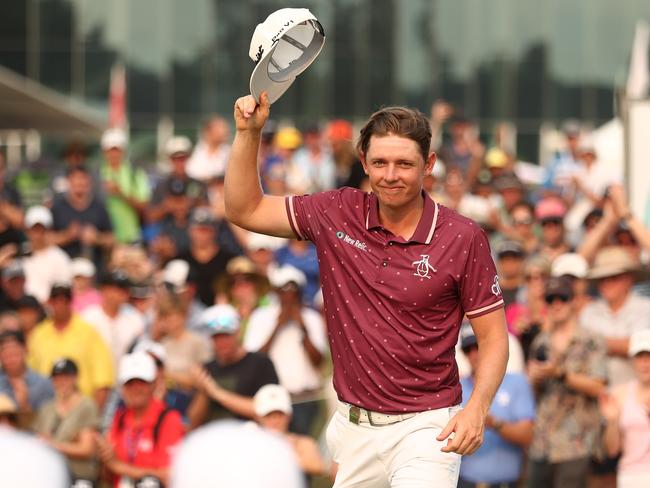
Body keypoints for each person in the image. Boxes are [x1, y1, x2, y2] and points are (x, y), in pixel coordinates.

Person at [225, 93, 509, 487]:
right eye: (380, 163)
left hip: (427, 426)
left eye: (405, 164)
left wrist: (477, 407)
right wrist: (247, 133)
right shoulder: (335, 211)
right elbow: (245, 209)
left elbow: (494, 337)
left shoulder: (463, 237)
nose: (391, 175)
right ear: (364, 162)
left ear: (429, 164)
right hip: (353, 427)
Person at [527, 277, 607, 487]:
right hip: (542, 441)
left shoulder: (591, 339)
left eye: (562, 298)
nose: (556, 304)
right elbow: (535, 395)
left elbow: (598, 387)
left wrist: (560, 374)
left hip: (577, 442)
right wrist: (534, 379)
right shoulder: (541, 342)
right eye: (550, 299)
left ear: (574, 301)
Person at [244, 265, 327, 435]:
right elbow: (253, 362)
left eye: (293, 292)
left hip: (306, 399)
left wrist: (303, 328)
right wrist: (277, 327)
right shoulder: (261, 316)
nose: (289, 297)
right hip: (272, 402)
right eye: (283, 292)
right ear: (276, 293)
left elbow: (318, 362)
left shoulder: (311, 318)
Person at [458, 329, 535, 488]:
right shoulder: (456, 386)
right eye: (468, 349)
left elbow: (528, 436)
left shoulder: (516, 382)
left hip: (505, 482)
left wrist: (494, 423)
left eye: (478, 346)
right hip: (464, 481)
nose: (474, 354)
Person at [97, 352, 185, 487]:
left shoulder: (168, 419)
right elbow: (108, 476)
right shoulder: (120, 417)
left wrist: (119, 466)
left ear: (154, 384)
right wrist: (105, 461)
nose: (135, 389)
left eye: (142, 382)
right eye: (129, 383)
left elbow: (168, 476)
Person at [188, 304, 279, 428]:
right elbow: (193, 421)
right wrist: (204, 391)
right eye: (216, 337)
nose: (221, 342)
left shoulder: (260, 363)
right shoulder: (207, 369)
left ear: (237, 333)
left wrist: (216, 393)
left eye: (226, 336)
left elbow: (269, 409)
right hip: (214, 438)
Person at [28, 283, 115, 409]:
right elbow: (31, 375)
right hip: (46, 409)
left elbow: (102, 378)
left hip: (81, 409)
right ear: (49, 303)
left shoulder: (88, 333)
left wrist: (94, 416)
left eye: (64, 300)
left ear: (71, 302)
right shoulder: (38, 334)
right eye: (56, 301)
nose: (60, 305)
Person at [579, 246, 650, 387]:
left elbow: (638, 347)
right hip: (595, 396)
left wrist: (595, 342)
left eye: (614, 277)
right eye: (602, 278)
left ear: (629, 279)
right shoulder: (589, 311)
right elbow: (580, 350)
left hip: (637, 397)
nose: (607, 283)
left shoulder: (645, 308)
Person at [33, 358, 100, 485]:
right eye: (57, 378)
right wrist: (69, 443)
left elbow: (87, 449)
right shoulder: (47, 408)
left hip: (78, 475)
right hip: (50, 473)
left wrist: (53, 444)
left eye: (66, 377)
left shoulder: (86, 405)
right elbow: (39, 440)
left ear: (75, 378)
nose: (62, 382)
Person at [599, 329, 650, 487]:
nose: (645, 363)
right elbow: (612, 450)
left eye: (649, 356)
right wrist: (613, 421)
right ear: (632, 360)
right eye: (639, 356)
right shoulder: (619, 394)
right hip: (630, 476)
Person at [253, 383, 326, 477]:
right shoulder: (251, 441)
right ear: (258, 417)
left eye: (280, 414)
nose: (275, 420)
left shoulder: (302, 442)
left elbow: (317, 466)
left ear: (289, 416)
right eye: (268, 415)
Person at [50, 164, 114, 269]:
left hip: (94, 267)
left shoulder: (99, 207)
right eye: (76, 179)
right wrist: (67, 236)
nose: (80, 182)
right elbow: (46, 240)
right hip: (64, 266)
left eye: (83, 178)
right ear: (68, 181)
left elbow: (112, 239)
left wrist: (97, 238)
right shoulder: (57, 208)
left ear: (89, 182)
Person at [82, 269, 146, 366]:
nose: (116, 294)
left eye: (121, 290)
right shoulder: (89, 317)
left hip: (125, 375)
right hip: (96, 375)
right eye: (112, 288)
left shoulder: (135, 318)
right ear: (103, 290)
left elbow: (138, 352)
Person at [99, 128, 151, 244]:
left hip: (131, 236)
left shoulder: (135, 173)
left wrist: (120, 193)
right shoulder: (97, 174)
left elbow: (144, 205)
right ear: (104, 152)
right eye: (110, 150)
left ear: (123, 151)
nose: (113, 154)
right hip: (105, 238)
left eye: (117, 150)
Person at [0, 329, 54, 428]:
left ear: (25, 350)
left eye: (15, 353)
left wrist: (25, 406)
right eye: (6, 354)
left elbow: (48, 425)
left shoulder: (43, 384)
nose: (11, 359)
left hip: (32, 440)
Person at [21, 205, 72, 303]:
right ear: (27, 231)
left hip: (49, 311)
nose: (38, 235)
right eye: (34, 229)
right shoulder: (19, 252)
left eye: (42, 229)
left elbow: (63, 291)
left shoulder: (60, 258)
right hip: (23, 309)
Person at [186, 116, 231, 182]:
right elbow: (191, 171)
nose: (224, 131)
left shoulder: (229, 152)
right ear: (208, 132)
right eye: (219, 128)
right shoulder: (199, 150)